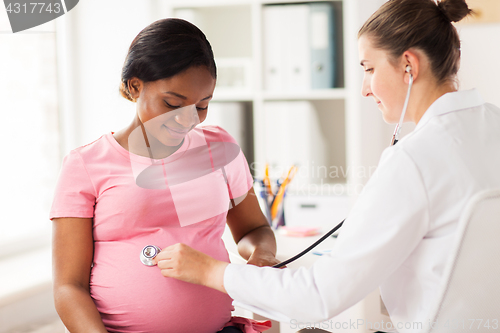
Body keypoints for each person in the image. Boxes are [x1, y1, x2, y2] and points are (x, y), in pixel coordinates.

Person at [151, 0, 500, 332]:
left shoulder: (413, 161)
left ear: (409, 64)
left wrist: (210, 271)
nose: (365, 88)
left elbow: (319, 297)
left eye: (369, 69)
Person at [50, 18, 279, 333]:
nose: (187, 119)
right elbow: (68, 287)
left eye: (202, 105)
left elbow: (254, 229)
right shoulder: (85, 165)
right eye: (173, 103)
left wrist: (261, 257)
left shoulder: (219, 147)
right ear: (135, 86)